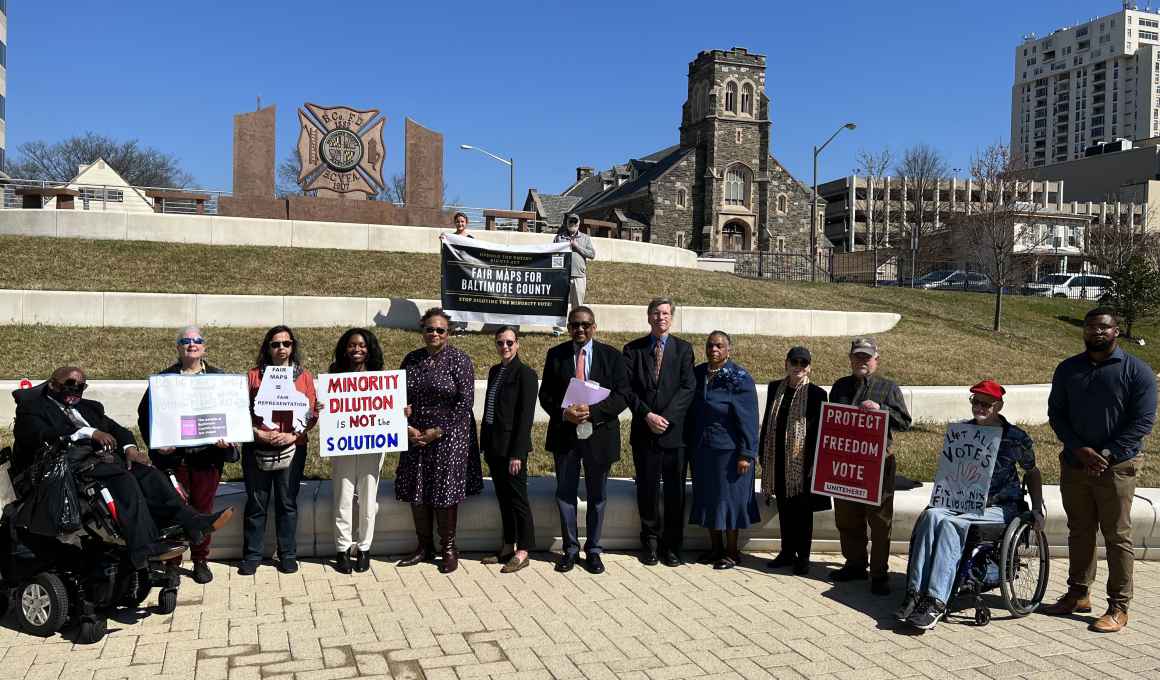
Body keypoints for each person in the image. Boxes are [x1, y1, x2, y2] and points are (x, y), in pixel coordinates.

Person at [13, 366, 233, 571]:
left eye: (80, 386)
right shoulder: (32, 409)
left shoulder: (89, 408)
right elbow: (37, 436)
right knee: (123, 479)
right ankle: (143, 545)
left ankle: (192, 523)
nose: (75, 391)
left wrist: (130, 449)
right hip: (65, 467)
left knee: (149, 472)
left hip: (101, 462)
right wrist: (89, 433)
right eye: (70, 385)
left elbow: (118, 430)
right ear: (53, 385)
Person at [1041, 307, 1156, 633]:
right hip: (1075, 463)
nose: (1097, 332)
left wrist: (1105, 454)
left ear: (1116, 331)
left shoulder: (1137, 371)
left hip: (1116, 468)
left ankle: (1119, 606)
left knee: (1117, 536)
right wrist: (1079, 449)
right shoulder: (1068, 369)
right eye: (1091, 327)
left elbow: (1142, 422)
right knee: (1079, 530)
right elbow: (1057, 414)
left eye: (1104, 327)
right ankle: (1078, 594)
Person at [897, 379, 1045, 630]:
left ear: (998, 406)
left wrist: (1038, 507)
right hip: (963, 500)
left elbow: (1032, 471)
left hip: (1000, 505)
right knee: (932, 516)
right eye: (975, 401)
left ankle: (936, 601)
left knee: (952, 525)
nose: (979, 407)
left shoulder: (1016, 438)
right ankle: (915, 592)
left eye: (986, 403)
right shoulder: (962, 432)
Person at [137, 326, 239, 584]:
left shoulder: (219, 379)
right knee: (174, 511)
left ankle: (200, 559)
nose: (192, 344)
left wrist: (227, 442)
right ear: (178, 347)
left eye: (197, 341)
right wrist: (157, 443)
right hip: (175, 460)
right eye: (186, 341)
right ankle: (172, 563)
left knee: (203, 511)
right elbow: (144, 415)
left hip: (208, 458)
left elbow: (233, 413)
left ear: (204, 347)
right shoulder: (163, 381)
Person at [539, 306, 629, 574]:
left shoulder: (612, 356)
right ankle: (569, 549)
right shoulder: (555, 355)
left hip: (599, 437)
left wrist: (594, 412)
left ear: (594, 327)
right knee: (565, 495)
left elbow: (622, 395)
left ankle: (593, 549)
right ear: (568, 328)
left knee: (597, 496)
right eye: (575, 325)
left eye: (585, 325)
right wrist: (564, 413)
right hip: (566, 436)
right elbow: (546, 396)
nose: (580, 329)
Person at [396, 308, 482, 574]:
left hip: (449, 436)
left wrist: (439, 430)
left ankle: (448, 548)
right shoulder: (411, 360)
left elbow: (465, 402)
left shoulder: (459, 360)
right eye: (429, 329)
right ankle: (424, 547)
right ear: (422, 331)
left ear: (449, 333)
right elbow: (397, 397)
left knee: (444, 491)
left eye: (440, 330)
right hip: (416, 435)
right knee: (417, 489)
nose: (434, 333)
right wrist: (406, 424)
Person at [828, 337, 912, 595]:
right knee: (847, 517)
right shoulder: (840, 386)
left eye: (867, 357)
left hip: (878, 465)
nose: (862, 361)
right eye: (857, 356)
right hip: (845, 463)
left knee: (879, 521)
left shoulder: (888, 387)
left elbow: (904, 422)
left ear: (876, 358)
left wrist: (881, 409)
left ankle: (879, 573)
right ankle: (854, 564)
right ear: (850, 358)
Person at [622, 297, 695, 567]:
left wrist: (666, 418)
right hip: (645, 432)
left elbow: (688, 388)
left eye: (665, 313)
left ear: (671, 318)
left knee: (675, 492)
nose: (660, 317)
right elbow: (626, 389)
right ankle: (650, 543)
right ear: (648, 317)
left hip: (674, 435)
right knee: (647, 490)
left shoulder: (684, 350)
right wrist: (647, 415)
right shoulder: (633, 350)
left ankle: (672, 546)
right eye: (655, 313)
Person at [240, 326, 317, 576]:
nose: (281, 348)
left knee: (287, 502)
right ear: (268, 348)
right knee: (256, 502)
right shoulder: (253, 376)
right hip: (257, 446)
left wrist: (293, 435)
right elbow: (239, 411)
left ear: (293, 346)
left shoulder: (304, 377)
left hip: (293, 447)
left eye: (286, 343)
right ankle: (252, 554)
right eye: (275, 344)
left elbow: (311, 413)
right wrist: (258, 433)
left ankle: (287, 554)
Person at [686, 331, 761, 570]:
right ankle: (715, 548)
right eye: (710, 345)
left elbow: (749, 419)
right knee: (709, 499)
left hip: (730, 453)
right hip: (703, 450)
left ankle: (731, 552)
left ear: (729, 350)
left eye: (719, 346)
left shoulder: (739, 378)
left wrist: (747, 454)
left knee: (729, 501)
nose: (714, 350)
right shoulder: (698, 374)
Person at [758, 346, 831, 575]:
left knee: (802, 512)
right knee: (784, 507)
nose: (798, 367)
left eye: (803, 363)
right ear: (786, 363)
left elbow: (821, 431)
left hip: (802, 464)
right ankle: (786, 551)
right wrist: (763, 451)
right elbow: (768, 419)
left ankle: (803, 556)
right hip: (777, 458)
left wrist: (814, 465)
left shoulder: (817, 394)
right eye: (794, 362)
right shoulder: (774, 389)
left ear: (809, 367)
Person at [479, 326, 538, 573]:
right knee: (503, 499)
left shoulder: (526, 374)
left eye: (510, 343)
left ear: (518, 344)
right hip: (494, 447)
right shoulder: (495, 371)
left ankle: (523, 550)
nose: (505, 347)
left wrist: (518, 453)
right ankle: (507, 545)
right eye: (500, 343)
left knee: (518, 500)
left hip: (512, 450)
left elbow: (525, 418)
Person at [327, 328, 386, 574]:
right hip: (344, 444)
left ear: (369, 349)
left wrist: (399, 412)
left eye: (362, 345)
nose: (357, 349)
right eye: (352, 345)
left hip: (373, 444)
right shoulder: (334, 375)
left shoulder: (380, 377)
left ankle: (364, 548)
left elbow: (387, 408)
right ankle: (342, 549)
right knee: (343, 496)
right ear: (345, 348)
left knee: (368, 498)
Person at [552, 213, 596, 335]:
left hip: (579, 276)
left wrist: (577, 246)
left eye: (575, 222)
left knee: (577, 306)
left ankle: (577, 329)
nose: (573, 224)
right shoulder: (559, 237)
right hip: (562, 277)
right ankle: (558, 329)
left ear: (578, 224)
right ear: (567, 223)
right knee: (560, 305)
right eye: (571, 222)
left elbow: (592, 254)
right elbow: (552, 254)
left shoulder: (585, 238)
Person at [440, 212, 473, 335]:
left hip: (466, 274)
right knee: (454, 298)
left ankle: (462, 327)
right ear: (455, 223)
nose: (460, 223)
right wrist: (443, 241)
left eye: (462, 221)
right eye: (458, 221)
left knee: (464, 300)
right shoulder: (450, 238)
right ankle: (453, 324)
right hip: (453, 274)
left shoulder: (471, 239)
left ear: (466, 223)